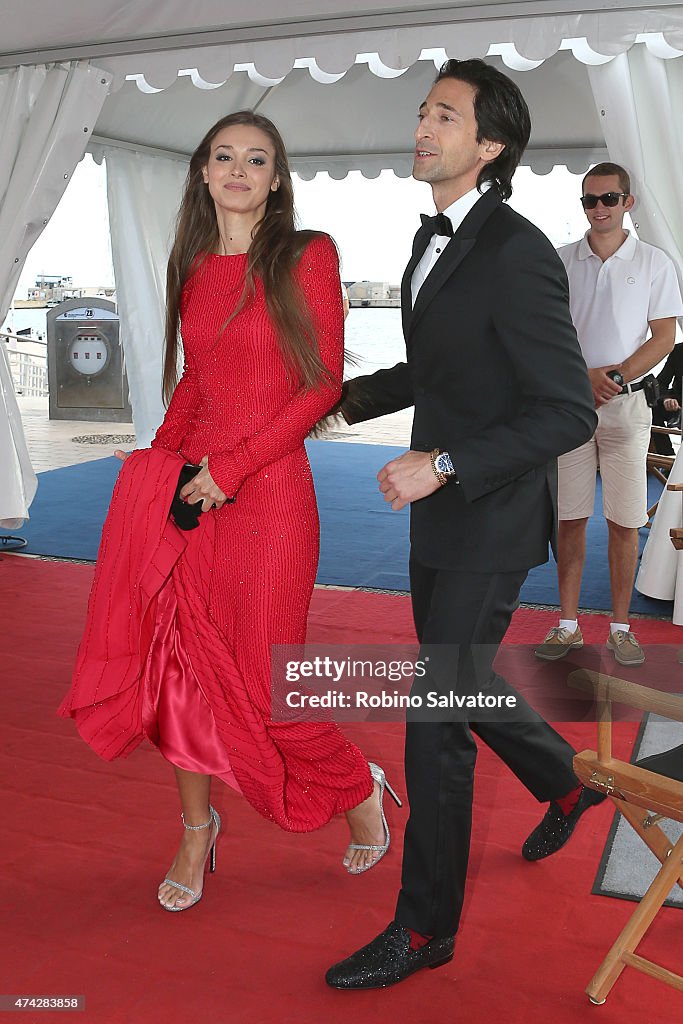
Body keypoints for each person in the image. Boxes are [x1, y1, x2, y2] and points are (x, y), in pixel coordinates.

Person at [58, 110, 399, 912]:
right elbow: (198, 387)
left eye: (257, 159)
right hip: (195, 497)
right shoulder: (194, 265)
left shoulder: (307, 255)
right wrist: (157, 462)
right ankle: (196, 829)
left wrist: (232, 469)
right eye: (223, 156)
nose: (239, 170)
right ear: (203, 173)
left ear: (276, 179)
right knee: (182, 673)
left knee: (266, 686)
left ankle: (359, 791)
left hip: (271, 496)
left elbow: (317, 385)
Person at [324, 59, 599, 991]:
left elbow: (567, 411)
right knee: (463, 685)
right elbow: (436, 371)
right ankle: (567, 781)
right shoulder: (432, 243)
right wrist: (339, 399)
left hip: (485, 512)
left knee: (432, 715)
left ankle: (423, 927)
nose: (421, 126)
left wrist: (441, 463)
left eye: (443, 115)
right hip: (437, 515)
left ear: (490, 145)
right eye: (422, 111)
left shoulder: (516, 249)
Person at [535, 163, 683, 668]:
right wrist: (581, 379)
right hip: (569, 406)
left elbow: (664, 336)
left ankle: (620, 627)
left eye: (609, 198)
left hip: (628, 406)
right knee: (569, 520)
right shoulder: (558, 261)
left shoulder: (655, 262)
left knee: (623, 521)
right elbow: (543, 336)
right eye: (589, 200)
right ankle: (568, 623)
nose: (599, 208)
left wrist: (615, 377)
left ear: (628, 203)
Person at [651, 344, 683, 458]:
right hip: (679, 401)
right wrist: (666, 399)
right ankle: (667, 456)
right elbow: (661, 383)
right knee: (652, 406)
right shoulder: (679, 350)